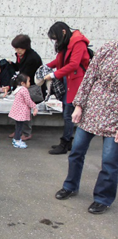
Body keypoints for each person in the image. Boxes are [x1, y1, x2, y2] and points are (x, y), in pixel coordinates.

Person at [55, 40, 118, 215]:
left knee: (110, 161)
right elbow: (89, 76)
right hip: (92, 109)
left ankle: (102, 198)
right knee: (76, 151)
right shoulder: (109, 48)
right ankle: (70, 186)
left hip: (115, 117)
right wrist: (79, 105)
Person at [45, 21, 90, 155]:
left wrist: (53, 74)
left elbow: (74, 64)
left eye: (56, 37)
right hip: (68, 80)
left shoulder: (78, 42)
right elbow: (59, 61)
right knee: (67, 113)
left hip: (76, 82)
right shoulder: (68, 42)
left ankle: (65, 143)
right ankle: (67, 142)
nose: (56, 41)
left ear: (63, 32)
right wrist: (46, 67)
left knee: (69, 115)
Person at [8, 34, 43, 141]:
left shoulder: (32, 58)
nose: (17, 51)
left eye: (19, 48)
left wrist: (12, 84)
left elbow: (25, 74)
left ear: (25, 47)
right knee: (20, 110)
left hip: (31, 87)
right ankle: (19, 131)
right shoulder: (23, 55)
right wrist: (12, 65)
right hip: (24, 86)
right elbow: (20, 68)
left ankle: (26, 133)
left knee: (25, 111)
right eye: (15, 48)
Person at [8, 74, 38, 149]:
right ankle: (17, 140)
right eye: (28, 81)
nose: (29, 83)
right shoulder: (24, 90)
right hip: (21, 112)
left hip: (17, 112)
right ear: (22, 83)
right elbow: (28, 101)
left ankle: (16, 139)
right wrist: (34, 107)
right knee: (20, 127)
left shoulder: (18, 89)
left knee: (18, 126)